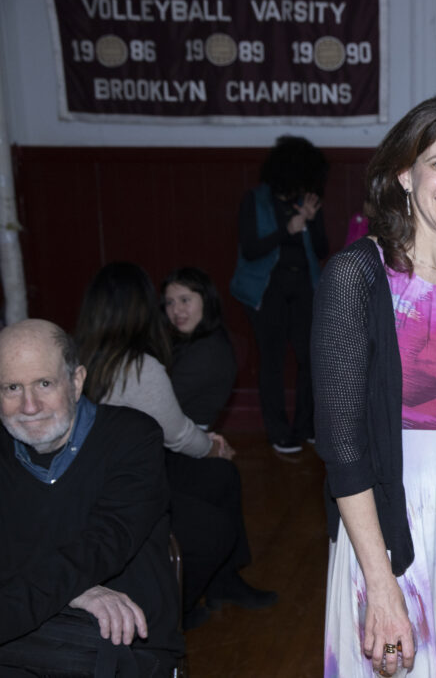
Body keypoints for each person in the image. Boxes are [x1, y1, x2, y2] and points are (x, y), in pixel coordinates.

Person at [311, 91, 436, 678]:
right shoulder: (358, 276)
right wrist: (381, 582)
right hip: (392, 521)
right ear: (405, 173)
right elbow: (342, 448)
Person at [77, 262, 276, 630]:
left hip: (114, 474)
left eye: (184, 299)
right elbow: (177, 433)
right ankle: (167, 615)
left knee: (223, 476)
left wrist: (208, 448)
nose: (169, 310)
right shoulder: (138, 365)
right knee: (216, 529)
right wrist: (211, 446)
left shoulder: (83, 357)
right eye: (164, 302)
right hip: (129, 485)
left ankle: (223, 583)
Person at [0, 319, 183, 675]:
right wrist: (74, 591)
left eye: (44, 383)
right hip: (23, 633)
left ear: (77, 380)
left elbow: (102, 544)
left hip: (117, 640)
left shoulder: (133, 437)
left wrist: (64, 588)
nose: (30, 405)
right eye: (11, 388)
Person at [230, 135, 329, 454]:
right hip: (266, 289)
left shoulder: (307, 201)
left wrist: (310, 223)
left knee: (309, 359)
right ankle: (278, 432)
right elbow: (250, 248)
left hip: (304, 287)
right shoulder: (256, 200)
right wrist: (287, 229)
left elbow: (323, 249)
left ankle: (306, 426)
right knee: (271, 362)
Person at [162, 266, 238, 428]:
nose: (176, 310)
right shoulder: (197, 339)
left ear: (206, 300)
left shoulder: (208, 350)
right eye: (170, 302)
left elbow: (161, 404)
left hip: (184, 442)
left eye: (185, 300)